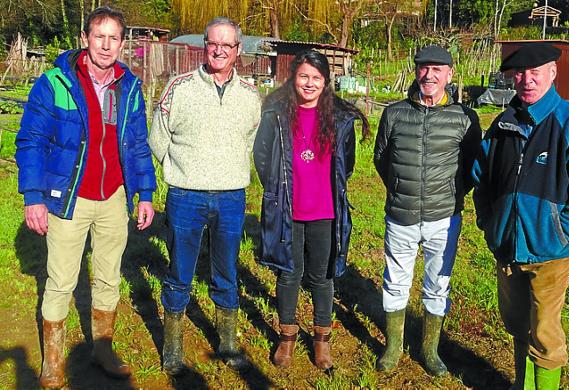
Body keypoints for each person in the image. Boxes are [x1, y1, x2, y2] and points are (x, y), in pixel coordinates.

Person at [15, 6, 156, 387]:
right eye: (99, 36)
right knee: (61, 279)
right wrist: (33, 196)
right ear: (85, 40)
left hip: (114, 197)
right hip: (68, 198)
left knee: (109, 277)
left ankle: (103, 348)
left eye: (114, 38)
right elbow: (31, 141)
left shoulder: (128, 86)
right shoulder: (55, 83)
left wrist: (144, 192)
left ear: (122, 43)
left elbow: (138, 144)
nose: (106, 45)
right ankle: (54, 361)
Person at [472, 42, 569, 389]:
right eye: (520, 73)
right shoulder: (503, 124)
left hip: (551, 253)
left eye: (535, 73)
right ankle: (523, 384)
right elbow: (482, 178)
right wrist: (489, 223)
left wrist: (563, 231)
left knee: (545, 332)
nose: (527, 80)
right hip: (507, 247)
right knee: (517, 324)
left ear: (552, 73)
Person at [149, 17, 261, 374]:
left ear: (237, 51)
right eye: (213, 43)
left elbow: (251, 141)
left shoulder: (250, 95)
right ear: (204, 45)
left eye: (227, 45)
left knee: (226, 268)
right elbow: (158, 138)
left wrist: (228, 168)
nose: (219, 50)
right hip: (186, 195)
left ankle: (227, 341)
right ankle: (173, 345)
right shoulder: (179, 87)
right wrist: (182, 169)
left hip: (231, 197)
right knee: (180, 269)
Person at [253, 49, 369, 370]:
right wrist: (277, 188)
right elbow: (262, 157)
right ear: (293, 78)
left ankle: (321, 341)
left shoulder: (338, 119)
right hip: (288, 210)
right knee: (289, 275)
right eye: (303, 76)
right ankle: (287, 338)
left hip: (325, 212)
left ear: (326, 83)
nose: (309, 83)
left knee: (321, 277)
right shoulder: (276, 114)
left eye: (316, 78)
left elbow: (347, 164)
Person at [374, 45, 481, 376]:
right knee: (395, 281)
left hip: (444, 218)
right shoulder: (394, 114)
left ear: (449, 74)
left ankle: (429, 349)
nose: (429, 75)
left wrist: (450, 194)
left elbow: (472, 166)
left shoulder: (465, 118)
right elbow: (381, 157)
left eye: (437, 69)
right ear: (416, 72)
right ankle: (393, 347)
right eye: (423, 68)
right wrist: (400, 187)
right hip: (401, 215)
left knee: (438, 284)